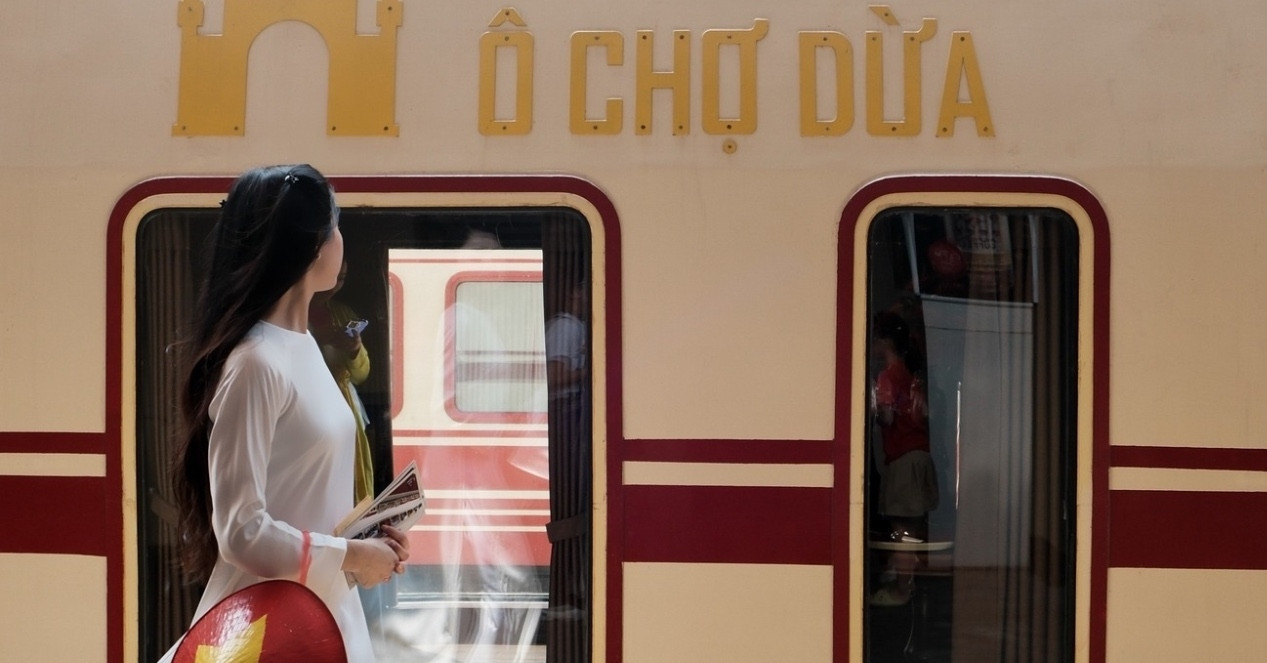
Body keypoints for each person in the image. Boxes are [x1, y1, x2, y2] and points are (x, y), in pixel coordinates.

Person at [163, 165, 408, 662]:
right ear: (312, 243)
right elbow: (241, 530)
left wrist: (365, 537)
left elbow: (303, 490)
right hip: (266, 628)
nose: (343, 239)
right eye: (336, 225)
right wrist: (352, 555)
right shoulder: (255, 361)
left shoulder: (303, 347)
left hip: (320, 611)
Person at [869, 310, 938, 607]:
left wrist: (872, 408)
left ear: (883, 342)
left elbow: (885, 417)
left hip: (902, 459)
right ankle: (910, 580)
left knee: (901, 530)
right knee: (917, 527)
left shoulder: (886, 376)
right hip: (921, 457)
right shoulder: (911, 377)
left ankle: (901, 590)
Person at [310, 260, 375, 504]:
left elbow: (361, 375)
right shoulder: (292, 315)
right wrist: (319, 339)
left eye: (342, 278)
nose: (334, 285)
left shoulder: (343, 313)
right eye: (331, 275)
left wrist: (355, 350)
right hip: (312, 405)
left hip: (345, 402)